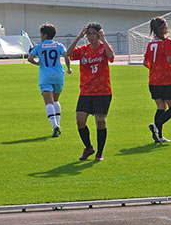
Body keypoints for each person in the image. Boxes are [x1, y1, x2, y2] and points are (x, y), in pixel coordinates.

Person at [65, 23, 115, 161]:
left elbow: (111, 57)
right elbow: (68, 53)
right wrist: (78, 37)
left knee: (100, 122)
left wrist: (104, 40)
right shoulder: (83, 50)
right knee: (80, 121)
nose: (91, 36)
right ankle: (88, 147)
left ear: (99, 34)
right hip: (86, 91)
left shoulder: (104, 48)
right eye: (89, 34)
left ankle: (100, 153)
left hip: (103, 91)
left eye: (94, 33)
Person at [144, 18, 171, 143]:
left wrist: (155, 69)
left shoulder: (151, 44)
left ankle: (159, 136)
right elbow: (169, 59)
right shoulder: (167, 42)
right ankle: (156, 125)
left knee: (160, 107)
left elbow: (145, 63)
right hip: (166, 81)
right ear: (163, 28)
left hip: (153, 81)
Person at [27, 23, 72, 137]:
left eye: (41, 34)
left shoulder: (39, 46)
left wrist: (38, 63)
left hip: (45, 76)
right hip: (58, 75)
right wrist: (68, 68)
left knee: (48, 102)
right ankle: (58, 124)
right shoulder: (58, 45)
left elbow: (30, 58)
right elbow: (66, 56)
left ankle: (54, 125)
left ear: (45, 34)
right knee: (56, 101)